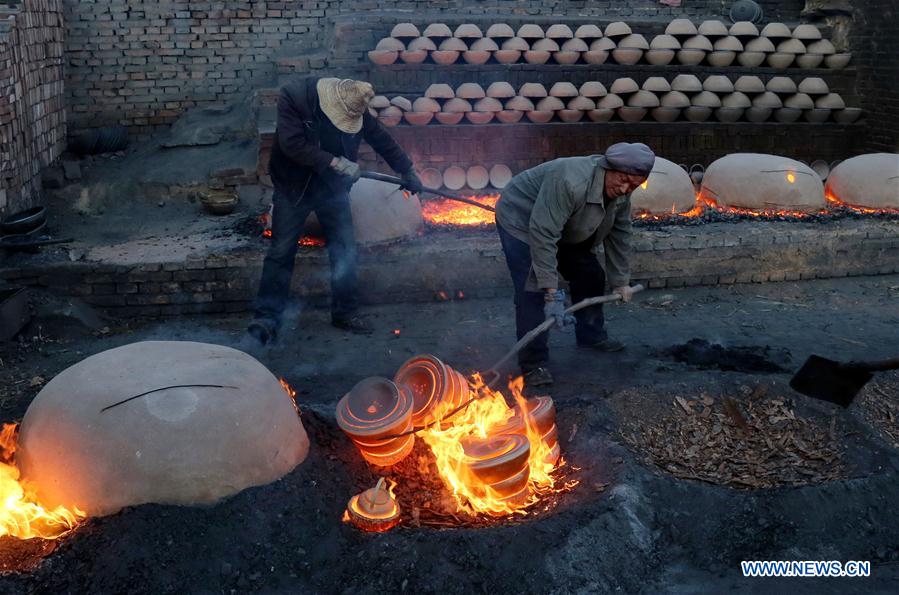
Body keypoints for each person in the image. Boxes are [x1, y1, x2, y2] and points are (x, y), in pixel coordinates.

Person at [248, 77, 423, 344]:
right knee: (281, 252)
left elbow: (381, 139)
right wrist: (335, 162)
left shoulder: (354, 102)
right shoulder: (295, 97)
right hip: (293, 185)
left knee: (344, 249)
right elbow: (291, 144)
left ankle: (345, 312)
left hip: (331, 188)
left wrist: (407, 169)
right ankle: (267, 318)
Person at [494, 142, 655, 388]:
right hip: (522, 221)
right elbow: (544, 234)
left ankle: (591, 336)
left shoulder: (623, 190)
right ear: (606, 167)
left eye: (633, 185)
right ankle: (533, 363)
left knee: (590, 274)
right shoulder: (570, 181)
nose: (624, 189)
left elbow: (620, 232)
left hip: (565, 223)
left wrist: (620, 281)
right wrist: (551, 293)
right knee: (532, 290)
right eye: (622, 180)